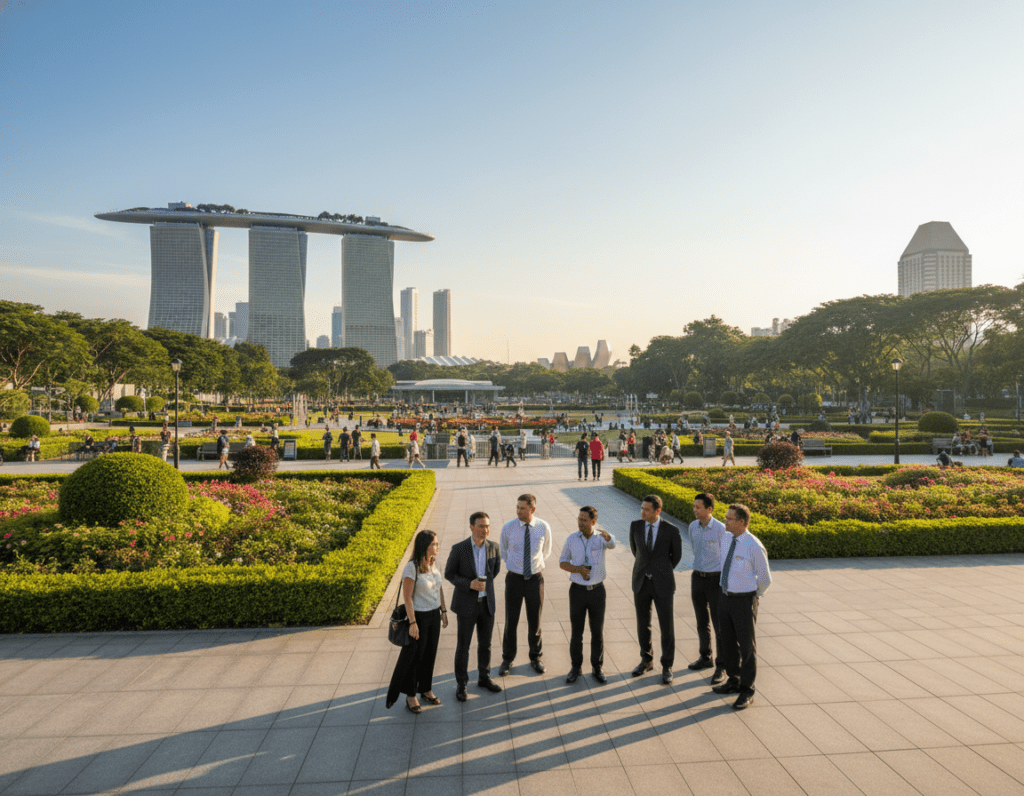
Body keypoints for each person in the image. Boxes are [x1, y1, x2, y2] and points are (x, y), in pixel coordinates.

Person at [713, 503, 771, 710]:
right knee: (727, 642)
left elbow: (765, 578)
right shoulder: (727, 537)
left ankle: (747, 690)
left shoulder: (754, 546)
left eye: (729, 518)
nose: (725, 521)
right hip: (725, 597)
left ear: (741, 522)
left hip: (744, 600)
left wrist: (754, 596)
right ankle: (733, 680)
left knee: (746, 647)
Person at [386, 531, 449, 713]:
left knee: (430, 654)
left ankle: (426, 689)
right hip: (419, 617)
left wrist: (443, 610)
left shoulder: (434, 563)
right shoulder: (411, 567)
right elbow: (407, 598)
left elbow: (440, 588)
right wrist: (413, 623)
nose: (437, 547)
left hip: (434, 615)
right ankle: (411, 695)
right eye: (434, 544)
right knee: (415, 657)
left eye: (437, 544)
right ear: (424, 546)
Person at [445, 511, 503, 702]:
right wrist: (469, 584)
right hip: (466, 606)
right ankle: (461, 684)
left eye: (487, 525)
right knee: (464, 646)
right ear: (471, 527)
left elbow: (494, 571)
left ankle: (484, 678)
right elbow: (449, 574)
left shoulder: (494, 547)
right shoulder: (459, 549)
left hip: (487, 604)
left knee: (485, 645)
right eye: (481, 526)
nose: (485, 529)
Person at [629, 494, 682, 684]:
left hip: (663, 583)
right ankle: (646, 660)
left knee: (666, 626)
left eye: (647, 509)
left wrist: (660, 571)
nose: (642, 511)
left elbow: (675, 557)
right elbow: (636, 552)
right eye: (642, 508)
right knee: (643, 624)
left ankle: (667, 666)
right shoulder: (635, 526)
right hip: (641, 582)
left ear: (657, 511)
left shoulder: (671, 530)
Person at [498, 493, 553, 676]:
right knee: (510, 620)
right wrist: (517, 566)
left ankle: (535, 657)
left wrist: (532, 566)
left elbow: (546, 551)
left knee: (534, 620)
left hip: (535, 580)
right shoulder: (508, 527)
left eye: (522, 508)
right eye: (517, 507)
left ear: (532, 509)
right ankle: (507, 658)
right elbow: (503, 551)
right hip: (514, 578)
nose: (518, 511)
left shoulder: (543, 527)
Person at [559, 505, 615, 684]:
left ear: (593, 522)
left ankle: (597, 667)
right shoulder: (571, 539)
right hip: (577, 591)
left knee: (597, 631)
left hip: (597, 591)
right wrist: (578, 569)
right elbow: (562, 562)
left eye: (583, 520)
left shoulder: (601, 539)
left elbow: (613, 543)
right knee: (577, 632)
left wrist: (609, 536)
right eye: (578, 519)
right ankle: (576, 667)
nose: (579, 523)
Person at [686, 494, 728, 685]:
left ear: (709, 509)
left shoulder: (721, 529)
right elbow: (695, 549)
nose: (695, 510)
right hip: (697, 578)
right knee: (701, 621)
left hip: (715, 580)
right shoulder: (693, 527)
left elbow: (726, 557)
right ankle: (706, 657)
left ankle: (721, 665)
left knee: (719, 625)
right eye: (694, 506)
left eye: (698, 507)